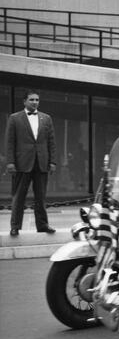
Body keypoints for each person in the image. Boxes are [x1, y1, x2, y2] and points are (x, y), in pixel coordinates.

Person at [5, 90, 57, 235]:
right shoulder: (14, 118)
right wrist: (10, 162)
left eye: (37, 100)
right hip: (22, 163)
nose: (35, 102)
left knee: (41, 197)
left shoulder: (46, 118)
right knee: (19, 196)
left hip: (41, 163)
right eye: (32, 100)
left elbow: (51, 141)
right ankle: (15, 226)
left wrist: (53, 161)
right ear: (25, 101)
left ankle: (42, 226)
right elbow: (10, 142)